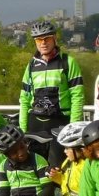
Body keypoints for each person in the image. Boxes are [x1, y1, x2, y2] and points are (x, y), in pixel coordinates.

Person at [18, 21, 85, 168]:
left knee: (58, 169)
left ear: (54, 38)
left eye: (46, 38)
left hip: (60, 122)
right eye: (39, 40)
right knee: (36, 171)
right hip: (35, 123)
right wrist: (22, 130)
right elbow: (24, 99)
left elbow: (77, 97)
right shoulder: (31, 66)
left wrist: (73, 127)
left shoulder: (68, 62)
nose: (43, 43)